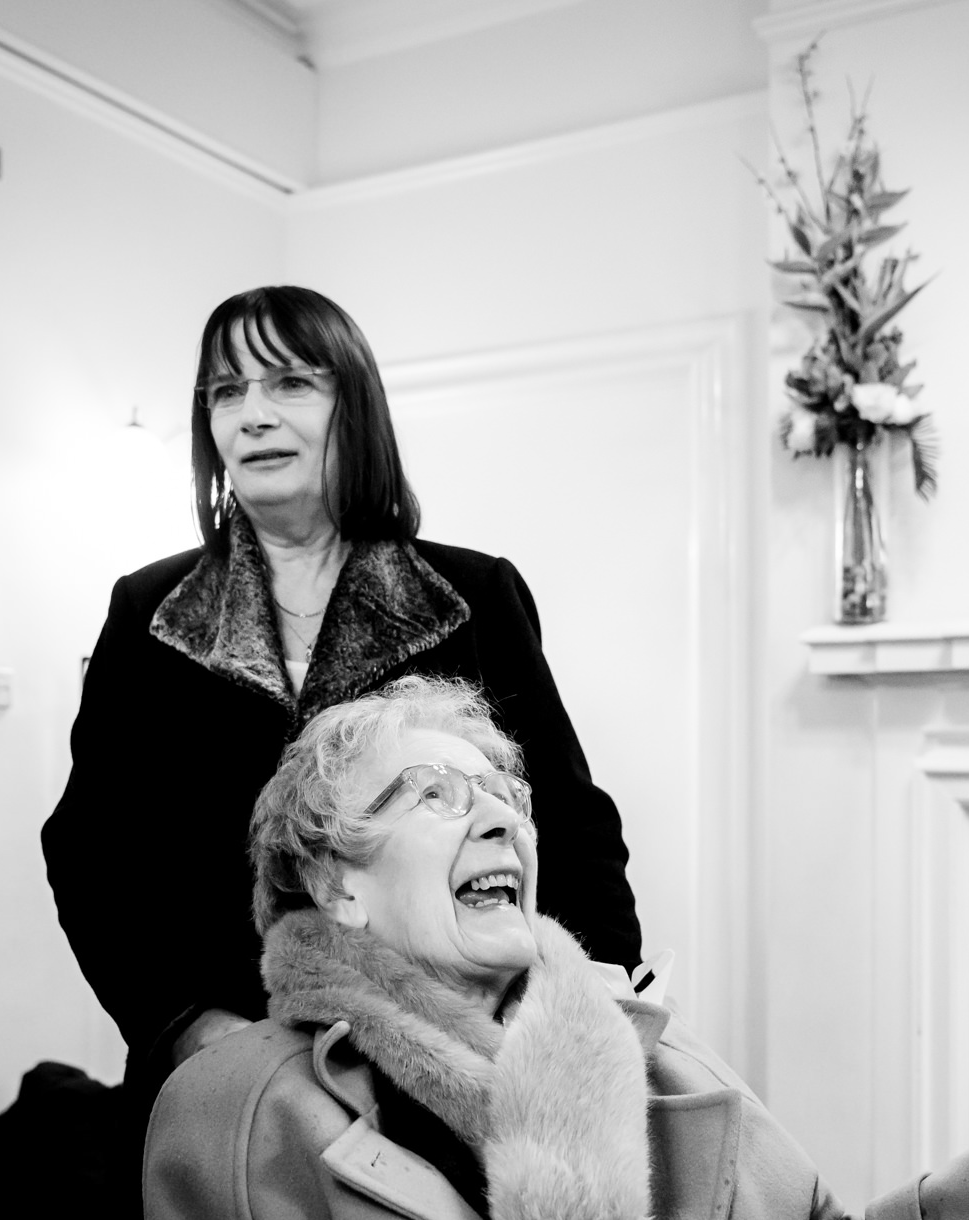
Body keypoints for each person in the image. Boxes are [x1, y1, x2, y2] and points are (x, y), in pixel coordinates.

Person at [142, 676, 969, 1220]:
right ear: (337, 884)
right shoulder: (239, 1114)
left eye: (509, 797)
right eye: (434, 792)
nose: (503, 822)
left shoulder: (640, 1043)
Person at [43, 285, 642, 1102]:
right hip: (224, 1076)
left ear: (353, 408)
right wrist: (184, 1025)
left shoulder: (472, 593)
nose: (251, 414)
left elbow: (568, 821)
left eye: (289, 382)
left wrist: (598, 997)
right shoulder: (149, 610)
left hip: (446, 1059)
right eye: (226, 391)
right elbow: (92, 852)